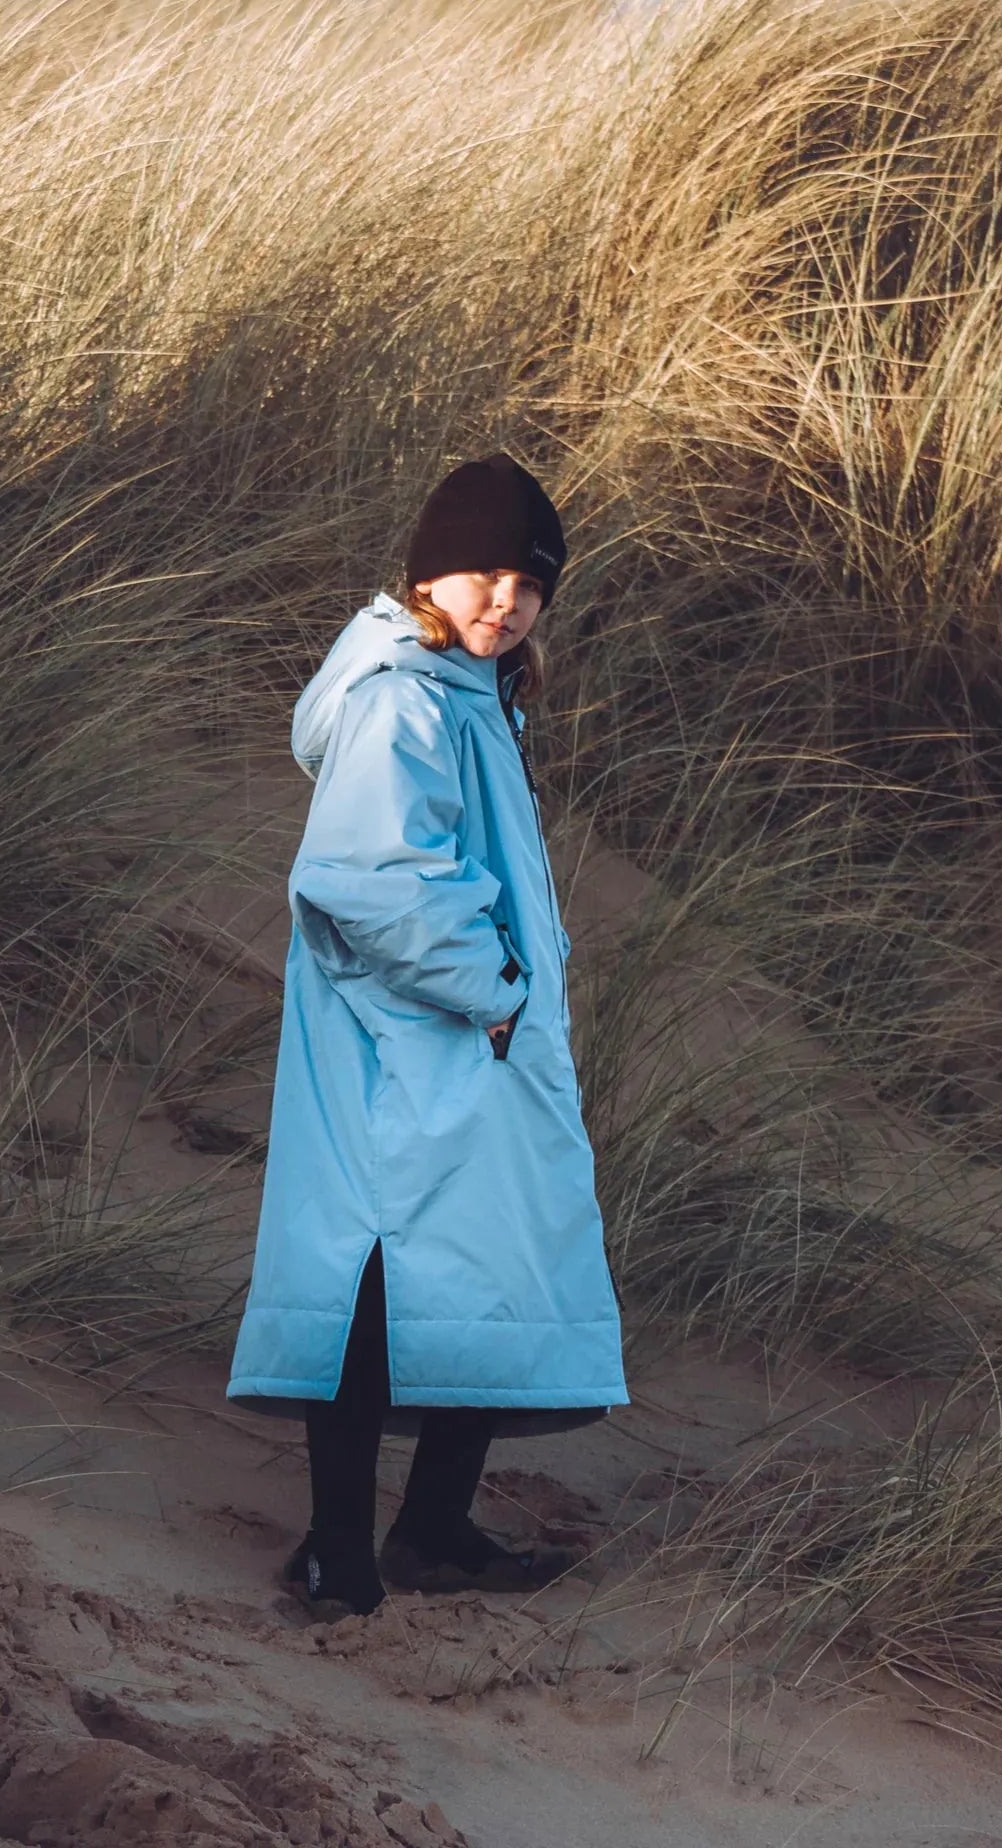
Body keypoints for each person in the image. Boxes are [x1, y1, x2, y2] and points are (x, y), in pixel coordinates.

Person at [226, 453, 630, 1620]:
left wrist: (508, 1003)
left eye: (529, 582)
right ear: (428, 575)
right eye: (483, 571)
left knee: (482, 1272)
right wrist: (495, 986)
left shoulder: (473, 696)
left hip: (467, 1044)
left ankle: (432, 1527)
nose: (504, 598)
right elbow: (368, 874)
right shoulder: (403, 694)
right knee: (376, 1272)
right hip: (406, 1042)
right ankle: (336, 1547)